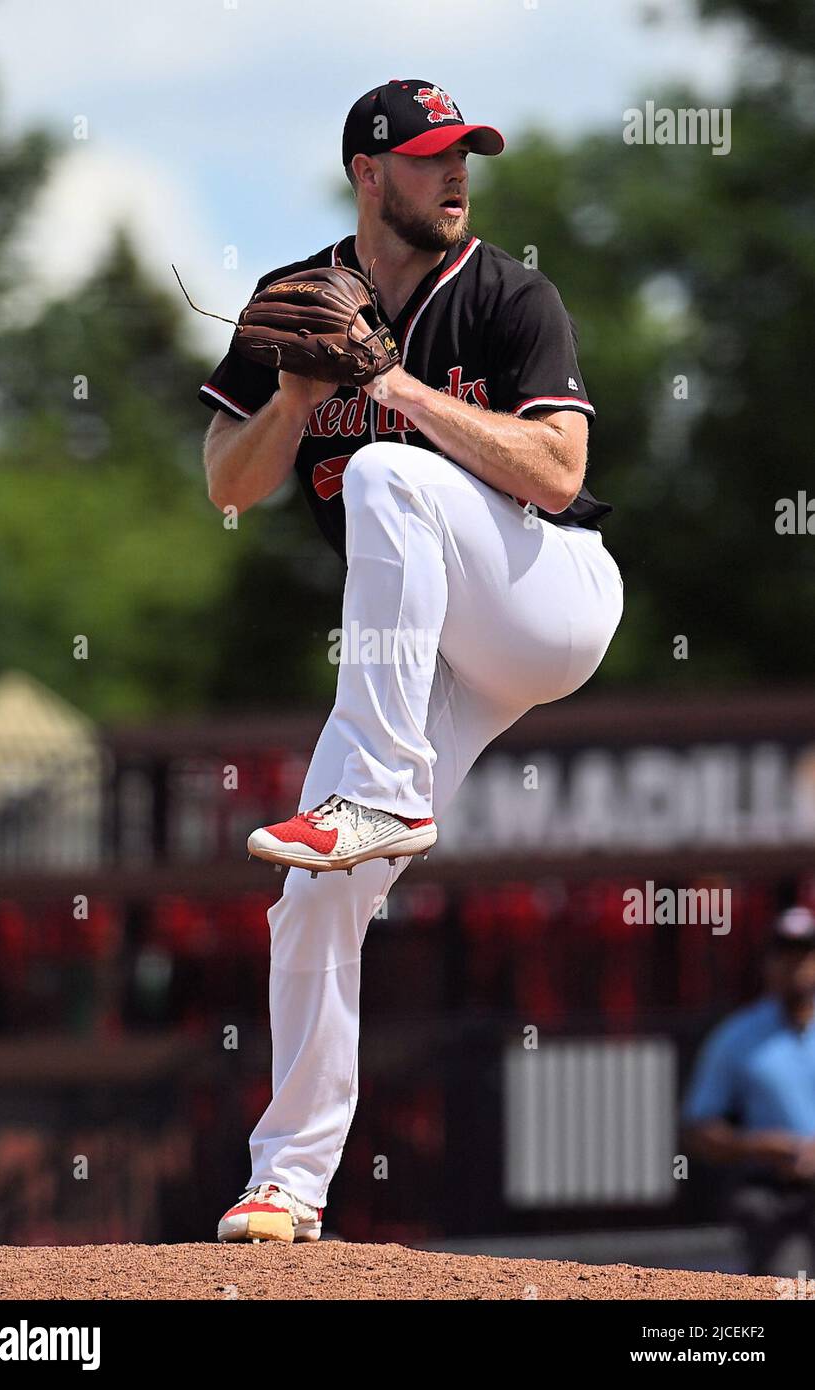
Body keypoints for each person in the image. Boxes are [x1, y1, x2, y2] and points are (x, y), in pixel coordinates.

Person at [199, 79, 624, 1243]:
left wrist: (385, 388)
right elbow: (228, 486)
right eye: (433, 155)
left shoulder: (506, 293)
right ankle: (286, 1182)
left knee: (387, 469)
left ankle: (380, 793)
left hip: (547, 596)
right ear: (368, 172)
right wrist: (292, 397)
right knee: (311, 898)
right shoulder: (295, 300)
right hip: (423, 653)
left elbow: (553, 469)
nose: (456, 174)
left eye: (464, 155)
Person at [680, 906, 815, 1277]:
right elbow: (698, 1127)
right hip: (775, 1194)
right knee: (790, 1285)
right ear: (768, 964)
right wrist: (761, 1146)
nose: (796, 966)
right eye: (784, 956)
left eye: (804, 955)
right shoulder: (737, 1037)